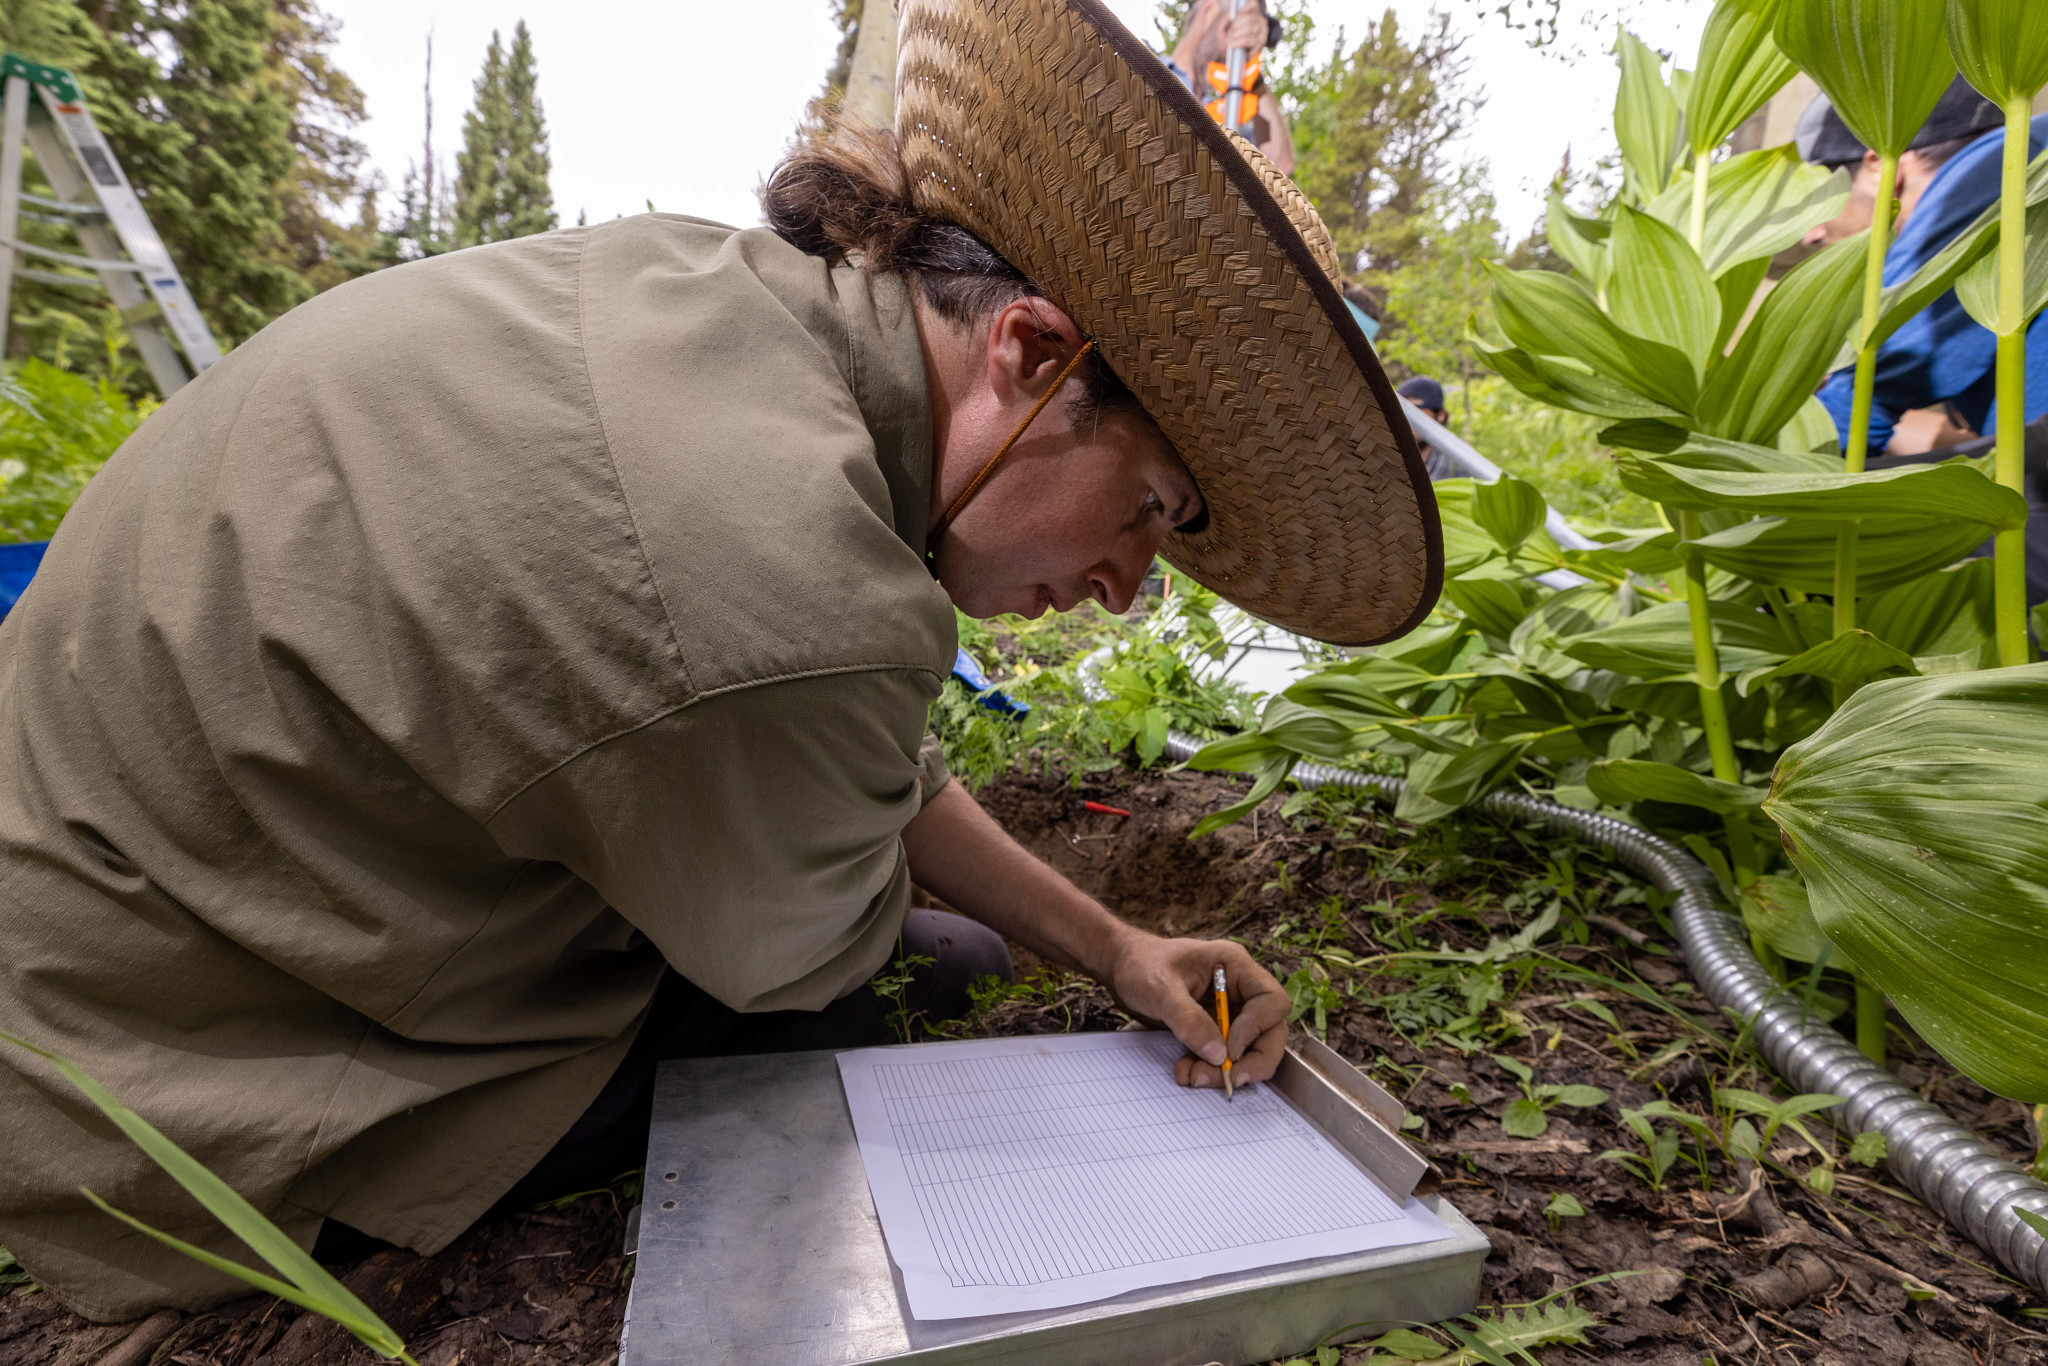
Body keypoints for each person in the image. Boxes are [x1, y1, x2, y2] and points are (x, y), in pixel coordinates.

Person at [0, 0, 1441, 1323]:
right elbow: (795, 920)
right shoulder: (790, 580)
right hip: (155, 1081)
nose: (1124, 591)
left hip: (133, 896)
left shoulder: (730, 305)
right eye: (1146, 512)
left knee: (942, 932)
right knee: (894, 980)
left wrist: (1117, 946)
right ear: (1031, 353)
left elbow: (856, 761)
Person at [1799, 78, 2048, 459]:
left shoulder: (1997, 162)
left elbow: (1864, 400)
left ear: (1881, 166)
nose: (1810, 233)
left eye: (1818, 199)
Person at [1166, 0, 1296, 173]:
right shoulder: (1139, 72)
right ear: (1210, 9)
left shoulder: (1225, 116)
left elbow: (1281, 169)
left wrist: (1251, 73)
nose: (1236, 40)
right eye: (1234, 25)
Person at [1396, 375, 1462, 481]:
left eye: (1415, 410)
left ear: (1441, 416)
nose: (1406, 418)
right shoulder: (1388, 458)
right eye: (1400, 410)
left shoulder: (1457, 462)